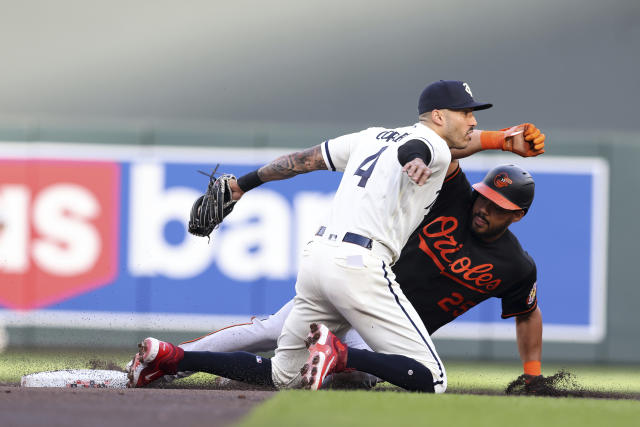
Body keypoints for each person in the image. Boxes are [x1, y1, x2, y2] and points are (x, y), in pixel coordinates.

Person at [127, 80, 542, 393]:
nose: (472, 120)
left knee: (283, 377)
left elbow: (302, 160)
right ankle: (338, 353)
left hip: (318, 258)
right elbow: (419, 150)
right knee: (432, 379)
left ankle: (170, 357)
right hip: (360, 266)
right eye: (465, 112)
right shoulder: (431, 146)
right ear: (438, 116)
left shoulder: (370, 136)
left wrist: (242, 186)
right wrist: (421, 160)